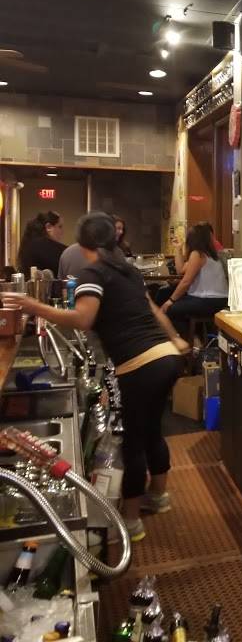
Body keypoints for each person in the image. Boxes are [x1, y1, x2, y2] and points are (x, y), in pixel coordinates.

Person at [3, 212, 189, 543]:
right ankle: (159, 497)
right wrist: (175, 338)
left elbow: (82, 319)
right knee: (152, 431)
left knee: (133, 443)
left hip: (140, 364)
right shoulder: (127, 270)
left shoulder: (92, 273)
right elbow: (153, 311)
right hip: (166, 357)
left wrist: (32, 305)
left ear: (81, 243)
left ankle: (131, 522)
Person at [161, 222, 228, 337]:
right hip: (217, 299)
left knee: (171, 309)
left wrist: (170, 301)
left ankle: (188, 340)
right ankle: (192, 338)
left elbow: (186, 282)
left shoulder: (198, 254)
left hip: (210, 300)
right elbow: (181, 270)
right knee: (164, 294)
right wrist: (178, 248)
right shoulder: (207, 254)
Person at [17, 211, 65, 276]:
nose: (62, 232)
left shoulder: (27, 245)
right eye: (60, 226)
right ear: (48, 227)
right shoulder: (53, 249)